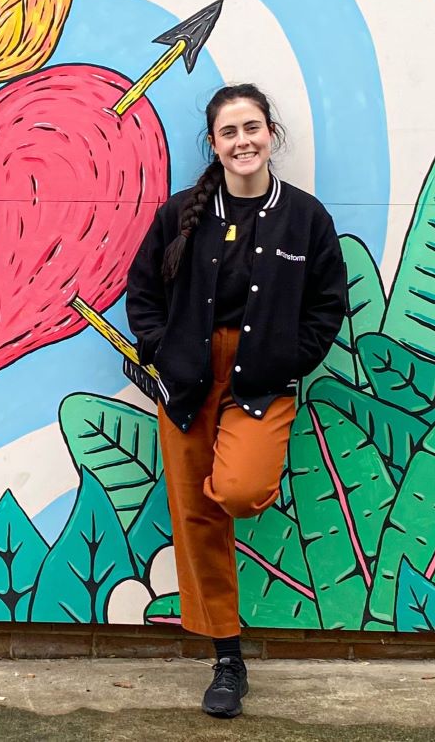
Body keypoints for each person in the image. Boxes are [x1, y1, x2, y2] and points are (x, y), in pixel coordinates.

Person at [126, 84, 347, 718]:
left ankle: (226, 643)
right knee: (196, 518)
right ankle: (227, 658)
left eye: (252, 128)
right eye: (230, 132)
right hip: (190, 380)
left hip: (260, 381)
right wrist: (165, 354)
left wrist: (288, 359)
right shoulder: (181, 215)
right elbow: (142, 294)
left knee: (241, 491)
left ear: (270, 134)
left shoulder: (306, 219)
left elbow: (327, 306)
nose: (243, 141)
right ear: (215, 144)